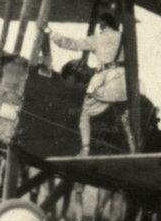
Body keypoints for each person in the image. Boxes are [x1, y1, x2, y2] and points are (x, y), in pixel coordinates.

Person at [46, 11, 134, 156]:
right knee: (125, 117)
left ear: (104, 24)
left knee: (85, 113)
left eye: (100, 24)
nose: (99, 26)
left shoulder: (98, 39)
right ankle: (134, 150)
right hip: (123, 81)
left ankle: (85, 149)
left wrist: (51, 33)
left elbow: (71, 43)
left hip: (107, 80)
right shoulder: (124, 37)